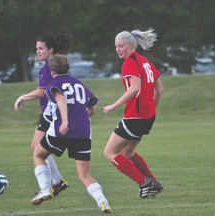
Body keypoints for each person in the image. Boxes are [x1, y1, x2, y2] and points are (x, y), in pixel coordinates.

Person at [31, 54, 111, 213]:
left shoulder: (53, 85)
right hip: (83, 132)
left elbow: (60, 98)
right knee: (84, 175)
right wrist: (78, 120)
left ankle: (46, 189)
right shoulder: (79, 84)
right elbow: (92, 108)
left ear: (52, 71)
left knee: (38, 155)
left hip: (61, 131)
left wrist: (66, 121)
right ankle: (103, 202)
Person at [103, 28, 164, 199]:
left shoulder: (130, 62)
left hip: (134, 117)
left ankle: (144, 183)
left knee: (109, 153)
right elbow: (159, 89)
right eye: (116, 46)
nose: (118, 49)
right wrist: (153, 108)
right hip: (147, 117)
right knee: (127, 154)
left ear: (131, 45)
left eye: (121, 46)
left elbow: (135, 88)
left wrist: (113, 106)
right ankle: (153, 183)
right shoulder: (146, 62)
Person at [14, 33, 72, 196]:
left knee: (38, 149)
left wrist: (22, 97)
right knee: (37, 148)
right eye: (36, 49)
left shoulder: (49, 67)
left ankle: (55, 183)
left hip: (52, 113)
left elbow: (41, 92)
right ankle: (57, 181)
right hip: (49, 112)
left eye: (41, 48)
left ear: (51, 49)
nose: (38, 52)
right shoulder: (47, 66)